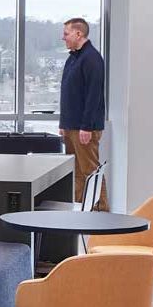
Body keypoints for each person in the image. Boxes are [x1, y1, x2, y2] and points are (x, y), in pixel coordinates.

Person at [59, 17, 108, 210]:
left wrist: (86, 126)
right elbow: (68, 93)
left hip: (84, 128)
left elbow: (93, 95)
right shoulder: (73, 58)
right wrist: (63, 124)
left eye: (66, 33)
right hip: (71, 126)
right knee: (76, 173)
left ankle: (101, 212)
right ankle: (81, 211)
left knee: (90, 172)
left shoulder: (92, 58)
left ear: (78, 34)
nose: (63, 38)